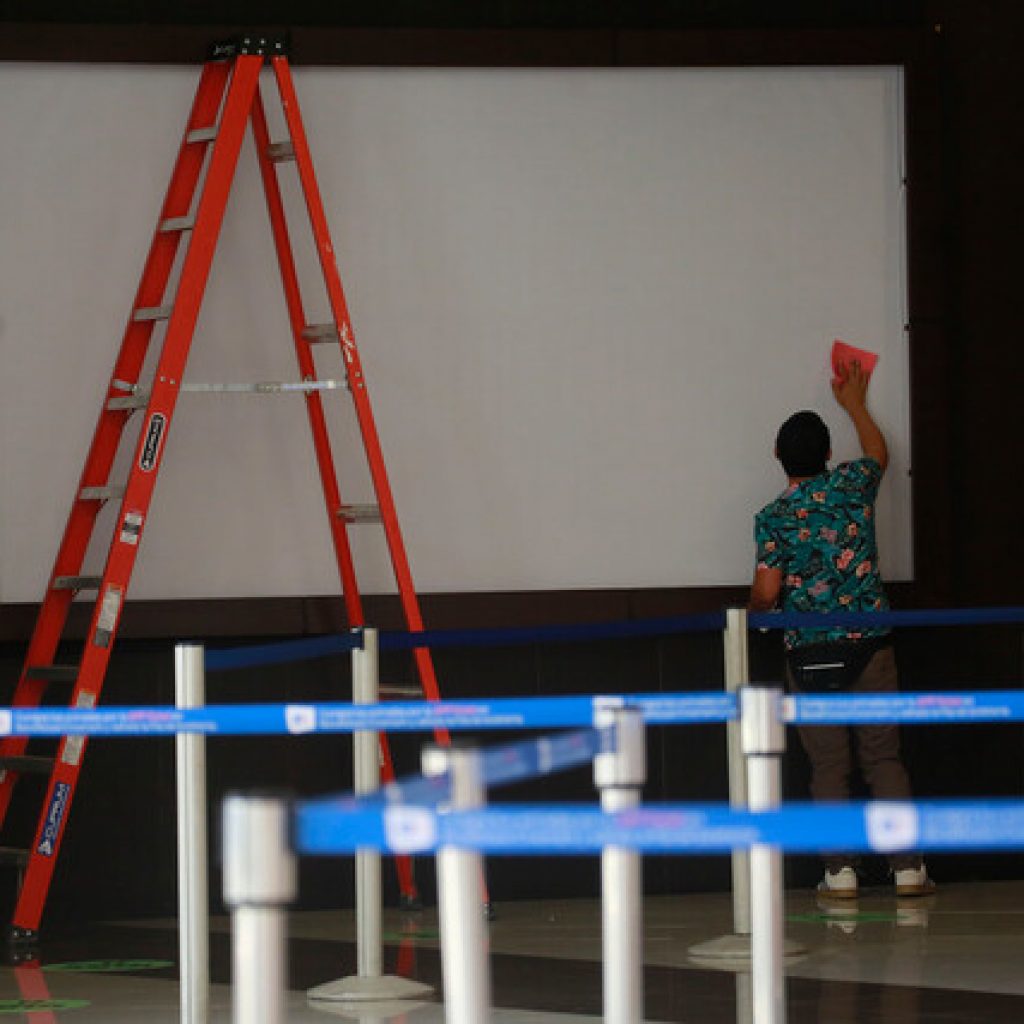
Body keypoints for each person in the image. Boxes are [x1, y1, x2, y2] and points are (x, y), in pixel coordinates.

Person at [749, 361, 934, 899]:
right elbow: (878, 452)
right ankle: (906, 870)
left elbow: (765, 594)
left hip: (808, 654)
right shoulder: (853, 485)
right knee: (883, 757)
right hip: (871, 645)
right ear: (829, 455)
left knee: (829, 765)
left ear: (779, 457)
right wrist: (854, 403)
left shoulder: (773, 517)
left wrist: (757, 611)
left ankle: (841, 873)